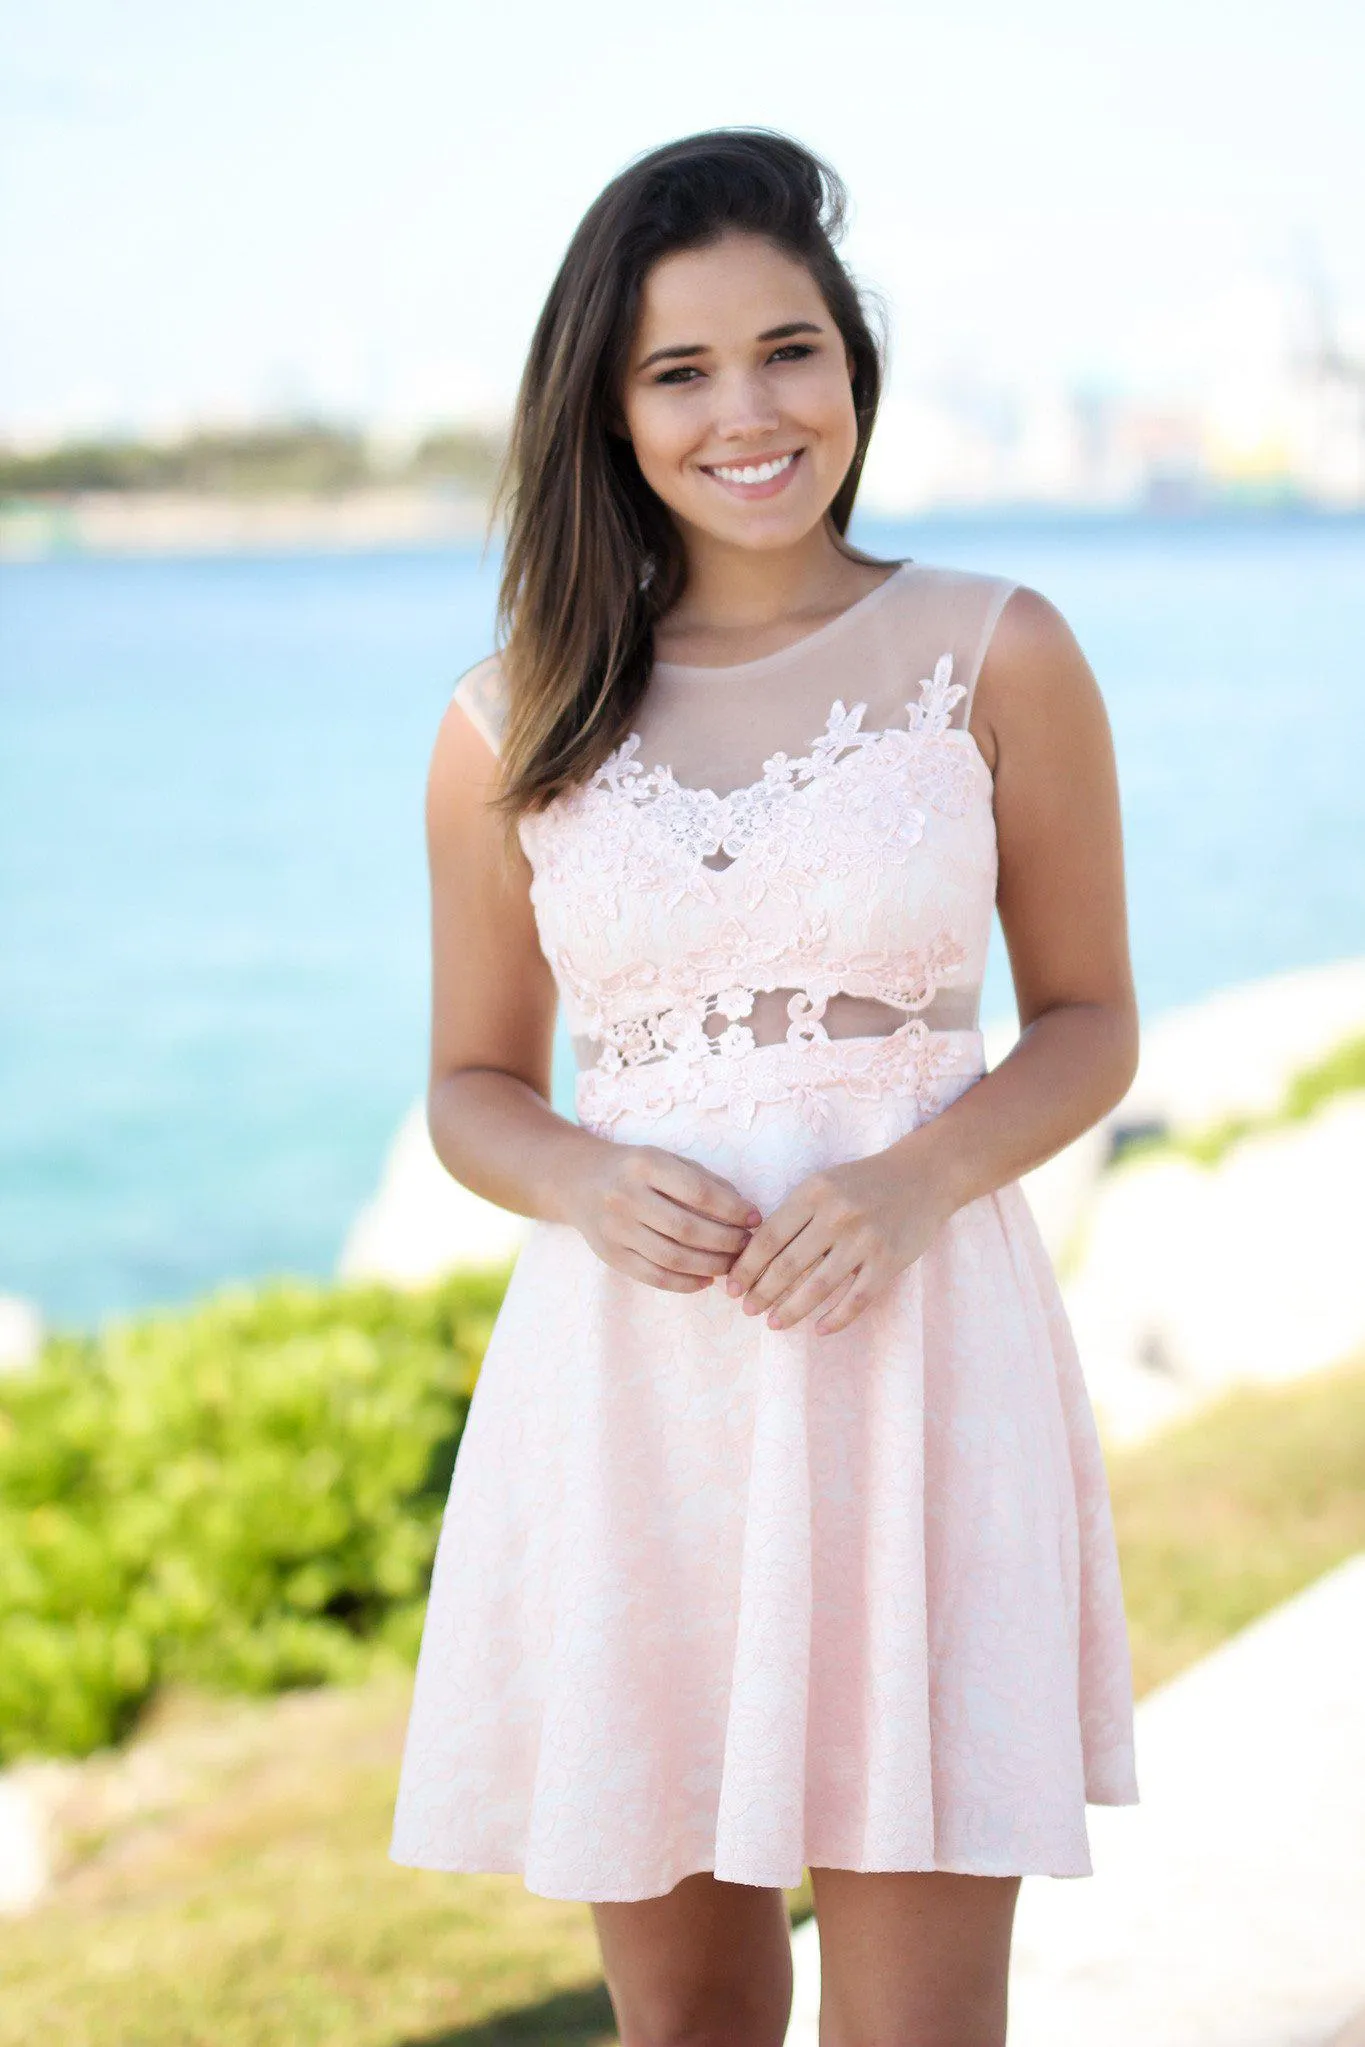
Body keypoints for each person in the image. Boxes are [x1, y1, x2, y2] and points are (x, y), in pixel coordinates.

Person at [390, 126, 1140, 2047]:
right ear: (609, 411)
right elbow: (473, 1081)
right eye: (681, 368)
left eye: (789, 347)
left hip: (919, 1383)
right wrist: (574, 1176)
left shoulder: (996, 650)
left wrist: (911, 1183)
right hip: (636, 1409)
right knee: (692, 2023)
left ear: (854, 364)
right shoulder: (511, 719)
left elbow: (1087, 1020)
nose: (749, 408)